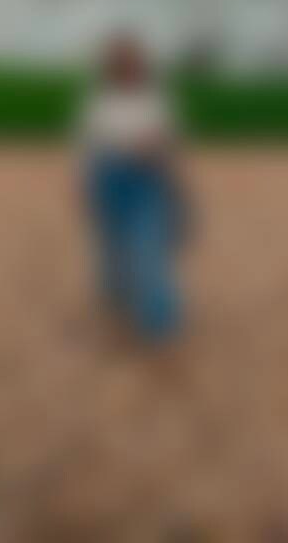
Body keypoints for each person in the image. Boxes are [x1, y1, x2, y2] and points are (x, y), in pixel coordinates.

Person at [76, 30, 189, 345]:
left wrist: (174, 185)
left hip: (145, 177)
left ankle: (159, 321)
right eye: (120, 61)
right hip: (107, 177)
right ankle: (121, 306)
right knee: (112, 248)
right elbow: (88, 148)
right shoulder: (100, 101)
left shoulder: (154, 100)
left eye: (131, 61)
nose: (127, 67)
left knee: (148, 247)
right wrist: (84, 187)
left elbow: (168, 143)